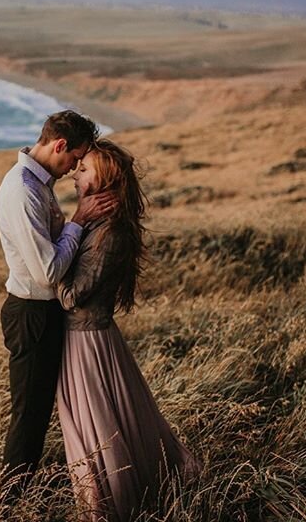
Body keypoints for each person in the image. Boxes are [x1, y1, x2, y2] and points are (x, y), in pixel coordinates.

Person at [56, 138, 202, 521]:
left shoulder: (110, 232)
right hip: (84, 338)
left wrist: (47, 263)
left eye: (84, 168)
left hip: (87, 341)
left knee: (103, 428)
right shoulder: (99, 224)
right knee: (103, 422)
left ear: (103, 178)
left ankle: (115, 506)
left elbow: (74, 297)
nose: (75, 173)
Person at [0, 110, 116, 487]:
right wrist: (79, 220)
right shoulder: (24, 191)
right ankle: (10, 500)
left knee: (44, 409)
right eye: (75, 159)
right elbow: (48, 272)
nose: (74, 168)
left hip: (44, 312)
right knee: (29, 415)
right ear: (59, 145)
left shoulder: (37, 182)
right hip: (31, 313)